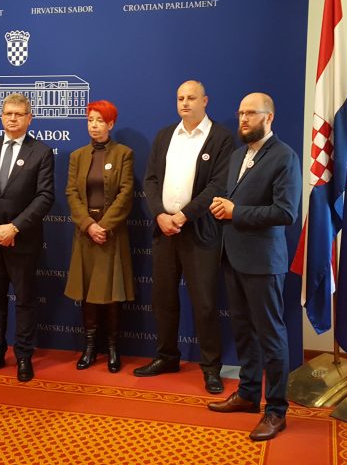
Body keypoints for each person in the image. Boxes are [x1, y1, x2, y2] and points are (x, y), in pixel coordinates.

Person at [207, 92, 301, 442]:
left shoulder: (284, 156)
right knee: (244, 331)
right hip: (233, 257)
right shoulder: (237, 155)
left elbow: (286, 212)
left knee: (271, 336)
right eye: (240, 113)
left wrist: (236, 212)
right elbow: (237, 203)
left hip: (263, 263)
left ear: (269, 117)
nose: (243, 119)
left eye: (251, 113)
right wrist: (223, 207)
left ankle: (276, 411)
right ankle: (248, 394)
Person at [135, 80, 233, 395]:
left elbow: (218, 185)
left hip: (199, 231)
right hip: (164, 230)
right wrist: (160, 215)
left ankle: (211, 368)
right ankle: (167, 357)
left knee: (204, 303)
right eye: (180, 98)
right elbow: (150, 180)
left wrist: (184, 215)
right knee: (163, 299)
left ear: (205, 101)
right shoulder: (165, 135)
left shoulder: (221, 137)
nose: (185, 103)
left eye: (191, 98)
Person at [0, 93, 55, 382]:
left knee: (25, 300)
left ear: (30, 119)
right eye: (8, 113)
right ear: (1, 117)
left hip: (23, 240)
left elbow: (45, 196)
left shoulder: (41, 152)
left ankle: (24, 355)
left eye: (19, 114)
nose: (13, 118)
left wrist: (14, 228)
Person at [64, 100, 135, 373]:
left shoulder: (124, 154)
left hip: (111, 234)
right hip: (85, 233)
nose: (94, 125)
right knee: (88, 294)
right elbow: (71, 192)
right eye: (90, 120)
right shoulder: (78, 156)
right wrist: (88, 225)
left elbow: (126, 193)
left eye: (99, 120)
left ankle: (113, 348)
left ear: (111, 124)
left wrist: (103, 226)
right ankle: (90, 347)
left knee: (112, 294)